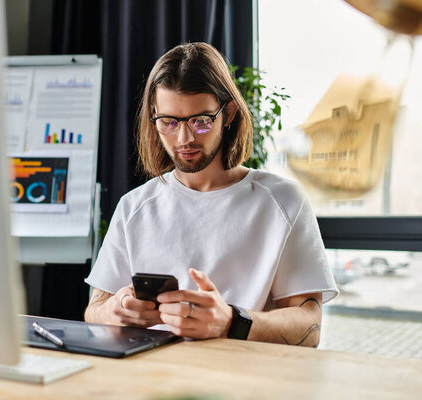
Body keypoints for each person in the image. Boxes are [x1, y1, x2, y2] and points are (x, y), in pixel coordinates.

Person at [84, 42, 338, 347]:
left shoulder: (282, 201)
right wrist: (116, 311)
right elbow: (94, 311)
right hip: (150, 381)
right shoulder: (134, 207)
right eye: (168, 122)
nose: (184, 138)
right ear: (154, 116)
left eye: (200, 121)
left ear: (228, 113)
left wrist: (231, 321)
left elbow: (309, 328)